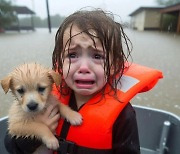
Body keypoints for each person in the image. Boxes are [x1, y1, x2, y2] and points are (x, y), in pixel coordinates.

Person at [4, 8, 140, 154]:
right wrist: (36, 135)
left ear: (115, 66)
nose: (83, 67)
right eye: (73, 54)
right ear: (60, 62)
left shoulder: (124, 116)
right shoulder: (51, 93)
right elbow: (11, 146)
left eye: (97, 56)